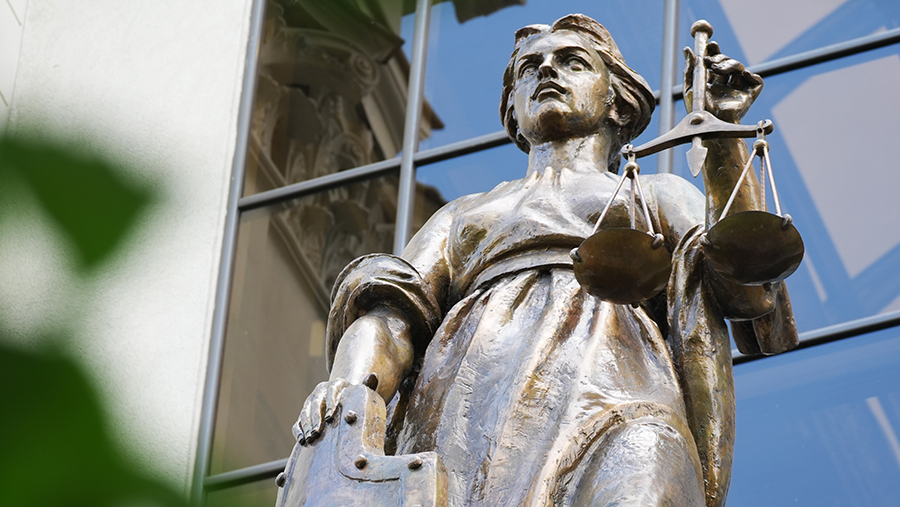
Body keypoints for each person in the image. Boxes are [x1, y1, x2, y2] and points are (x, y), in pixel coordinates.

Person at [294, 14, 797, 507]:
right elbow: (392, 314)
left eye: (573, 62)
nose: (548, 71)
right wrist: (348, 390)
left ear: (616, 100)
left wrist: (724, 139)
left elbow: (747, 287)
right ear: (514, 108)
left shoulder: (654, 194)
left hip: (623, 395)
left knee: (644, 480)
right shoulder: (465, 216)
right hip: (472, 413)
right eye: (529, 69)